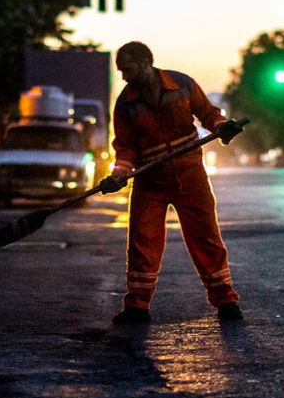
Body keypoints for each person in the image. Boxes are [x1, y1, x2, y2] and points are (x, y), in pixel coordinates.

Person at [99, 41, 244, 323]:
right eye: (120, 72)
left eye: (126, 70)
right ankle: (137, 308)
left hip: (190, 175)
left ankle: (226, 301)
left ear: (144, 63)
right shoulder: (125, 104)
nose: (123, 77)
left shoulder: (183, 85)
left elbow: (209, 114)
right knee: (142, 242)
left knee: (206, 238)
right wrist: (119, 174)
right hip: (149, 181)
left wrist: (222, 127)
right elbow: (125, 148)